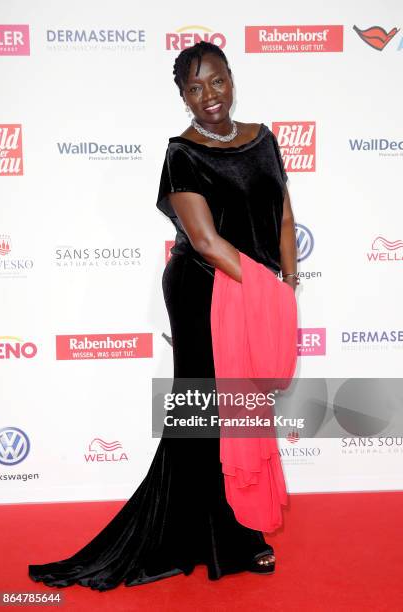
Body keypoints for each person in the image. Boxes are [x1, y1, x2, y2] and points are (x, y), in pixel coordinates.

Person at [28, 40, 298, 591]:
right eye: (194, 88)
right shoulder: (183, 152)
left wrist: (287, 286)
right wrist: (271, 289)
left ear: (231, 78)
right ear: (183, 98)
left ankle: (239, 529)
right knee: (207, 412)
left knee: (244, 410)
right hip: (203, 291)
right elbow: (203, 239)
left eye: (216, 81)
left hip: (260, 291)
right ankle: (209, 535)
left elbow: (286, 219)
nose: (209, 96)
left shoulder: (264, 140)